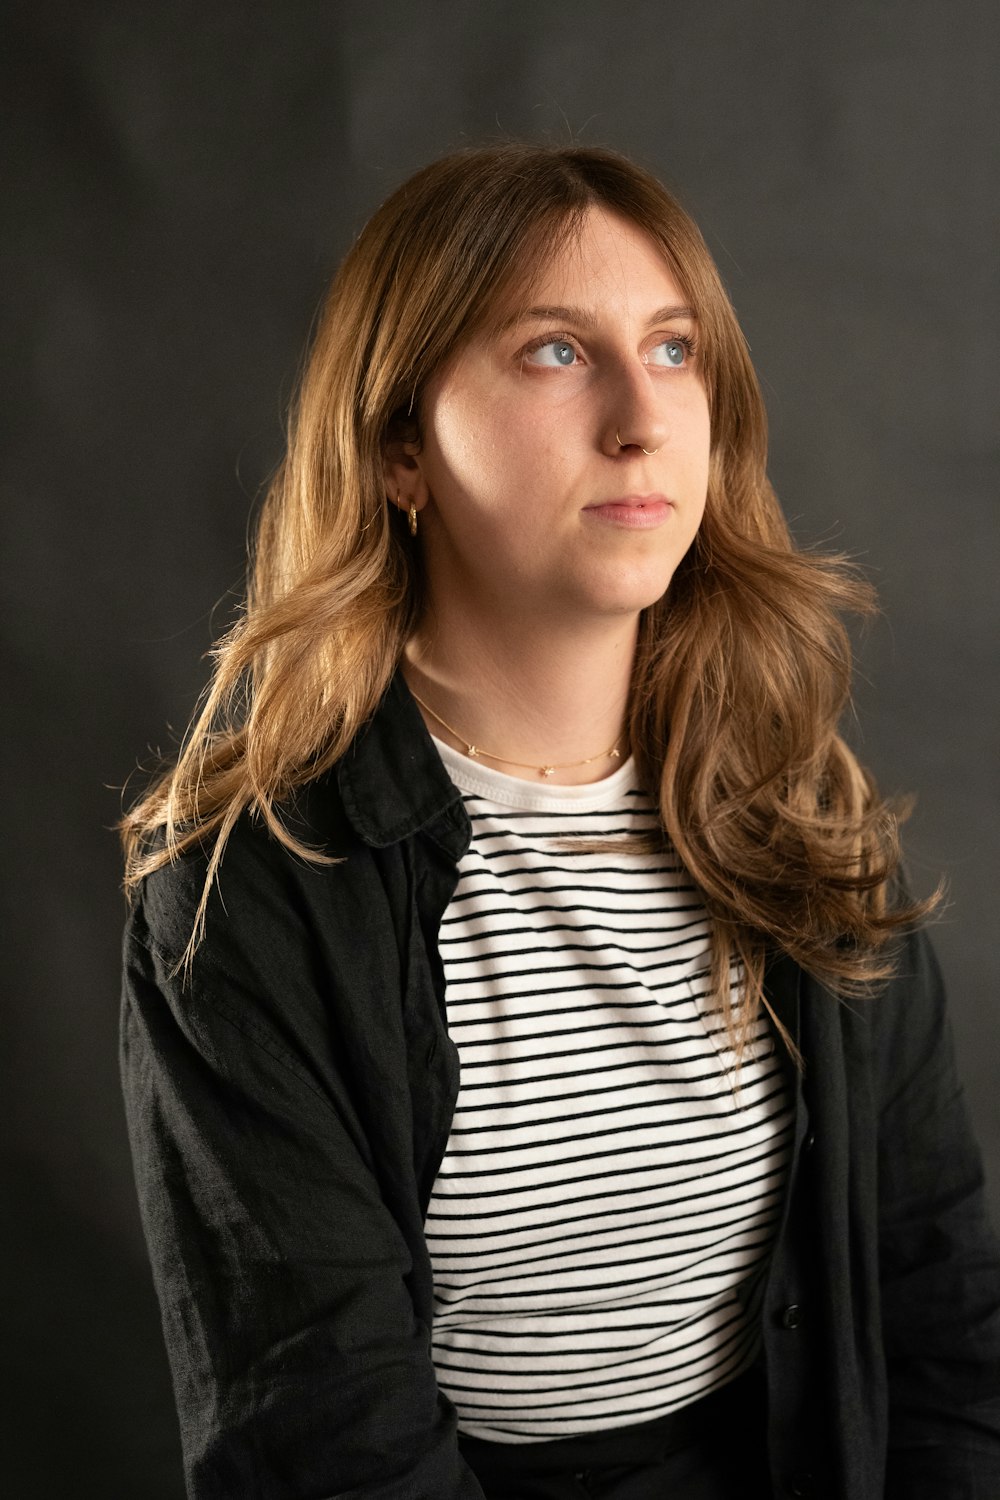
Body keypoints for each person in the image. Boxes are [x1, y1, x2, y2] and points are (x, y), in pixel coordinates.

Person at [119, 144, 1000, 1500]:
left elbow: (940, 1297)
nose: (642, 417)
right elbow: (322, 1432)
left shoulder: (797, 805)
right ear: (402, 446)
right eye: (553, 353)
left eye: (674, 349)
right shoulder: (254, 892)